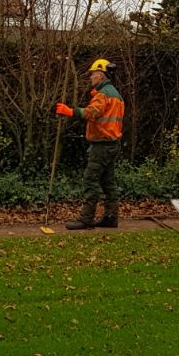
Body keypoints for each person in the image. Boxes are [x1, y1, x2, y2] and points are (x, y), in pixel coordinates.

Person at [55, 58, 125, 229]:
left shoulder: (103, 94)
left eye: (92, 74)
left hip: (101, 145)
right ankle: (111, 218)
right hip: (112, 143)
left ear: (100, 75)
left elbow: (91, 113)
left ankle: (86, 219)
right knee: (108, 182)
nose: (90, 77)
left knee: (90, 180)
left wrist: (69, 111)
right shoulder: (116, 95)